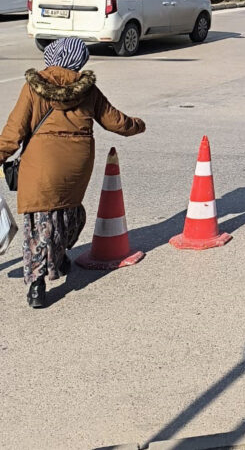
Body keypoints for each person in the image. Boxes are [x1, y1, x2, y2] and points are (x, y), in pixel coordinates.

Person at [0, 38, 145, 308]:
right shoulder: (88, 90)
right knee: (68, 213)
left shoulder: (32, 87)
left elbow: (13, 132)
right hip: (76, 166)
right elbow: (115, 121)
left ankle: (37, 285)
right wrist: (138, 125)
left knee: (40, 223)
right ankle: (59, 256)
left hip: (41, 166)